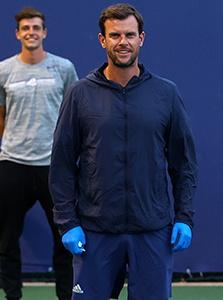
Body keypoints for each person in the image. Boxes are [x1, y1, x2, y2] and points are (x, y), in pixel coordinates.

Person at [49, 4, 197, 299]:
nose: (123, 42)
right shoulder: (80, 93)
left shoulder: (166, 93)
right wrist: (68, 223)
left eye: (129, 35)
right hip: (95, 231)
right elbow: (63, 164)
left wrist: (184, 216)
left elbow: (184, 164)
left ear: (142, 38)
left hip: (152, 230)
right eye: (114, 35)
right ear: (103, 40)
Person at [0, 6, 77, 300]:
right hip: (12, 164)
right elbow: (2, 116)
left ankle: (66, 296)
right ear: (17, 34)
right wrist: (16, 142)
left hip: (53, 166)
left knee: (65, 238)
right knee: (7, 240)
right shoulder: (4, 70)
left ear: (44, 32)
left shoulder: (64, 67)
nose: (31, 32)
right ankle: (12, 296)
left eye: (36, 28)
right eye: (25, 28)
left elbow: (73, 113)